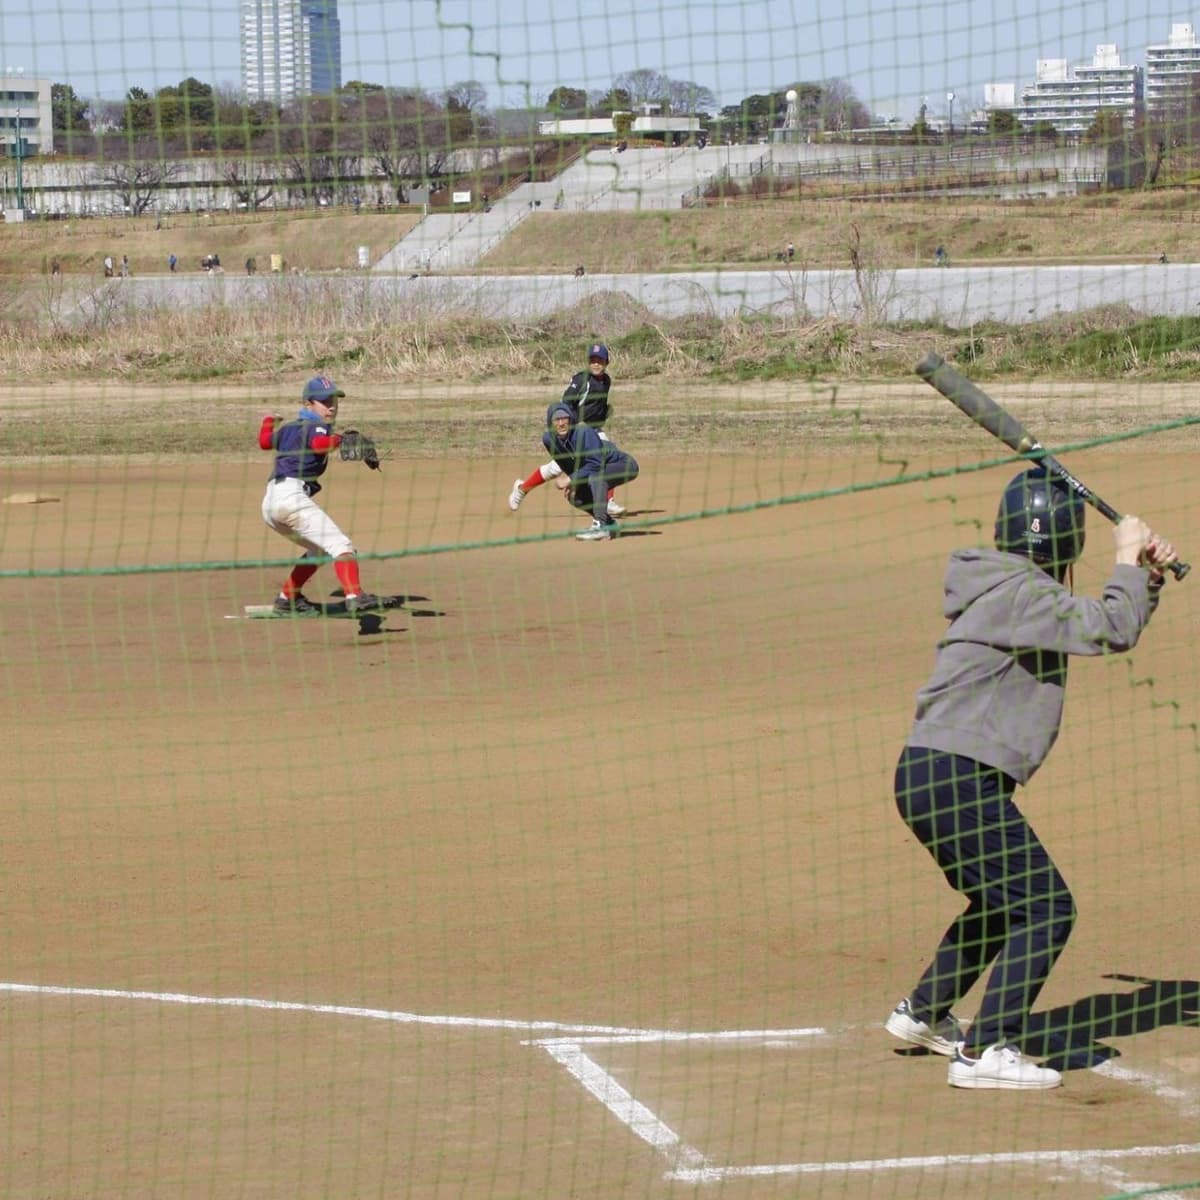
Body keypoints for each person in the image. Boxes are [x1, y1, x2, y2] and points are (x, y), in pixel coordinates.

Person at [885, 465, 1177, 1090]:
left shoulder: (1008, 586)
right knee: (1047, 907)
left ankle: (924, 1012)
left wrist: (1144, 577)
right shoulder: (1023, 595)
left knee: (999, 900)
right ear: (1069, 540)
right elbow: (1110, 627)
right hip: (956, 778)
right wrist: (1126, 558)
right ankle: (986, 1050)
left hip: (932, 775)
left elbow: (1103, 618)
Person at [258, 376, 383, 616]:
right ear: (308, 405)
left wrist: (267, 421)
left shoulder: (289, 429)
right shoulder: (316, 426)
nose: (332, 406)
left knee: (319, 551)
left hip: (271, 504)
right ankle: (355, 596)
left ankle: (288, 598)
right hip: (291, 500)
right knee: (342, 547)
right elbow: (319, 443)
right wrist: (340, 439)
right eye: (325, 401)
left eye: (334, 400)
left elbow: (265, 442)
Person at [508, 343, 625, 516]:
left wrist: (603, 413)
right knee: (556, 468)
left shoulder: (606, 380)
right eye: (592, 360)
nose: (596, 363)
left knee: (607, 457)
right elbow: (566, 403)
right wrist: (572, 428)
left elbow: (594, 404)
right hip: (577, 432)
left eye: (599, 360)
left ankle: (608, 501)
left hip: (596, 431)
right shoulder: (581, 380)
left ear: (606, 362)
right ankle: (522, 488)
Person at [542, 403, 639, 541]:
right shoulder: (549, 439)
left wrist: (570, 479)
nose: (561, 423)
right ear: (550, 423)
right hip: (597, 469)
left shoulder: (583, 432)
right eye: (557, 420)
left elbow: (595, 464)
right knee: (574, 496)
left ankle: (601, 526)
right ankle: (610, 524)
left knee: (596, 477)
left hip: (624, 465)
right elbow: (566, 462)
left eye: (565, 418)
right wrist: (574, 482)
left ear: (571, 420)